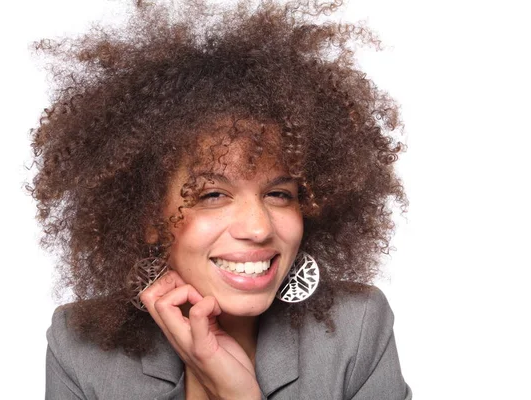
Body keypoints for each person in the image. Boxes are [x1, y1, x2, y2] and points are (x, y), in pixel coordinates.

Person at [30, 1, 411, 398]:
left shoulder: (357, 328)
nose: (259, 227)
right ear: (147, 216)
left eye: (279, 194)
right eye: (213, 195)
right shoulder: (80, 349)